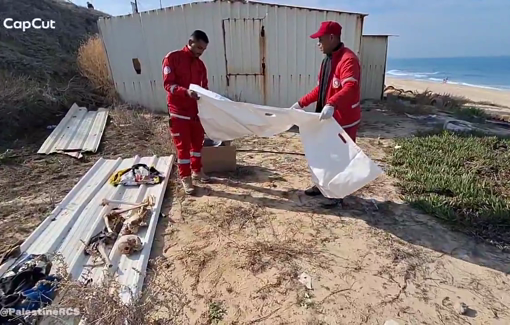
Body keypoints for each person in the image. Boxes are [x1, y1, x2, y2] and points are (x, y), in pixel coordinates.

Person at [290, 21, 362, 204]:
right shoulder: (327, 61)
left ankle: (337, 195)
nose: (318, 43)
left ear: (332, 38)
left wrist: (332, 103)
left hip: (344, 120)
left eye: (320, 39)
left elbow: (351, 87)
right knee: (322, 154)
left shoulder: (348, 60)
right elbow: (320, 88)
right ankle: (321, 186)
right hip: (327, 118)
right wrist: (301, 103)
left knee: (340, 158)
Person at [162, 30, 211, 195]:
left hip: (196, 113)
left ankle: (197, 171)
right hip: (179, 112)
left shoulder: (201, 65)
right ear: (190, 42)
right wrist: (186, 92)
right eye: (198, 47)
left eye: (203, 49)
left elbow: (204, 89)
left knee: (197, 145)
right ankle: (186, 178)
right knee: (183, 149)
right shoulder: (172, 58)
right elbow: (169, 85)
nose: (200, 52)